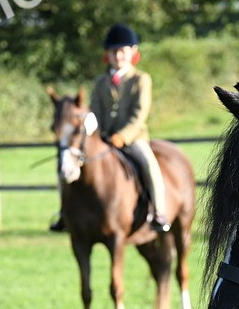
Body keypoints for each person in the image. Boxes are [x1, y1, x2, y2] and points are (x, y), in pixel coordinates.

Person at [50, 23, 168, 234]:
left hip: (133, 139)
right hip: (102, 139)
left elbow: (139, 114)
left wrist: (122, 136)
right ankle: (63, 213)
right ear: (108, 55)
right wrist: (90, 127)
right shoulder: (100, 82)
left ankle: (159, 211)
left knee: (150, 164)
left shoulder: (141, 80)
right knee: (67, 166)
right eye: (114, 51)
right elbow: (94, 111)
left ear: (132, 52)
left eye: (122, 51)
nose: (118, 55)